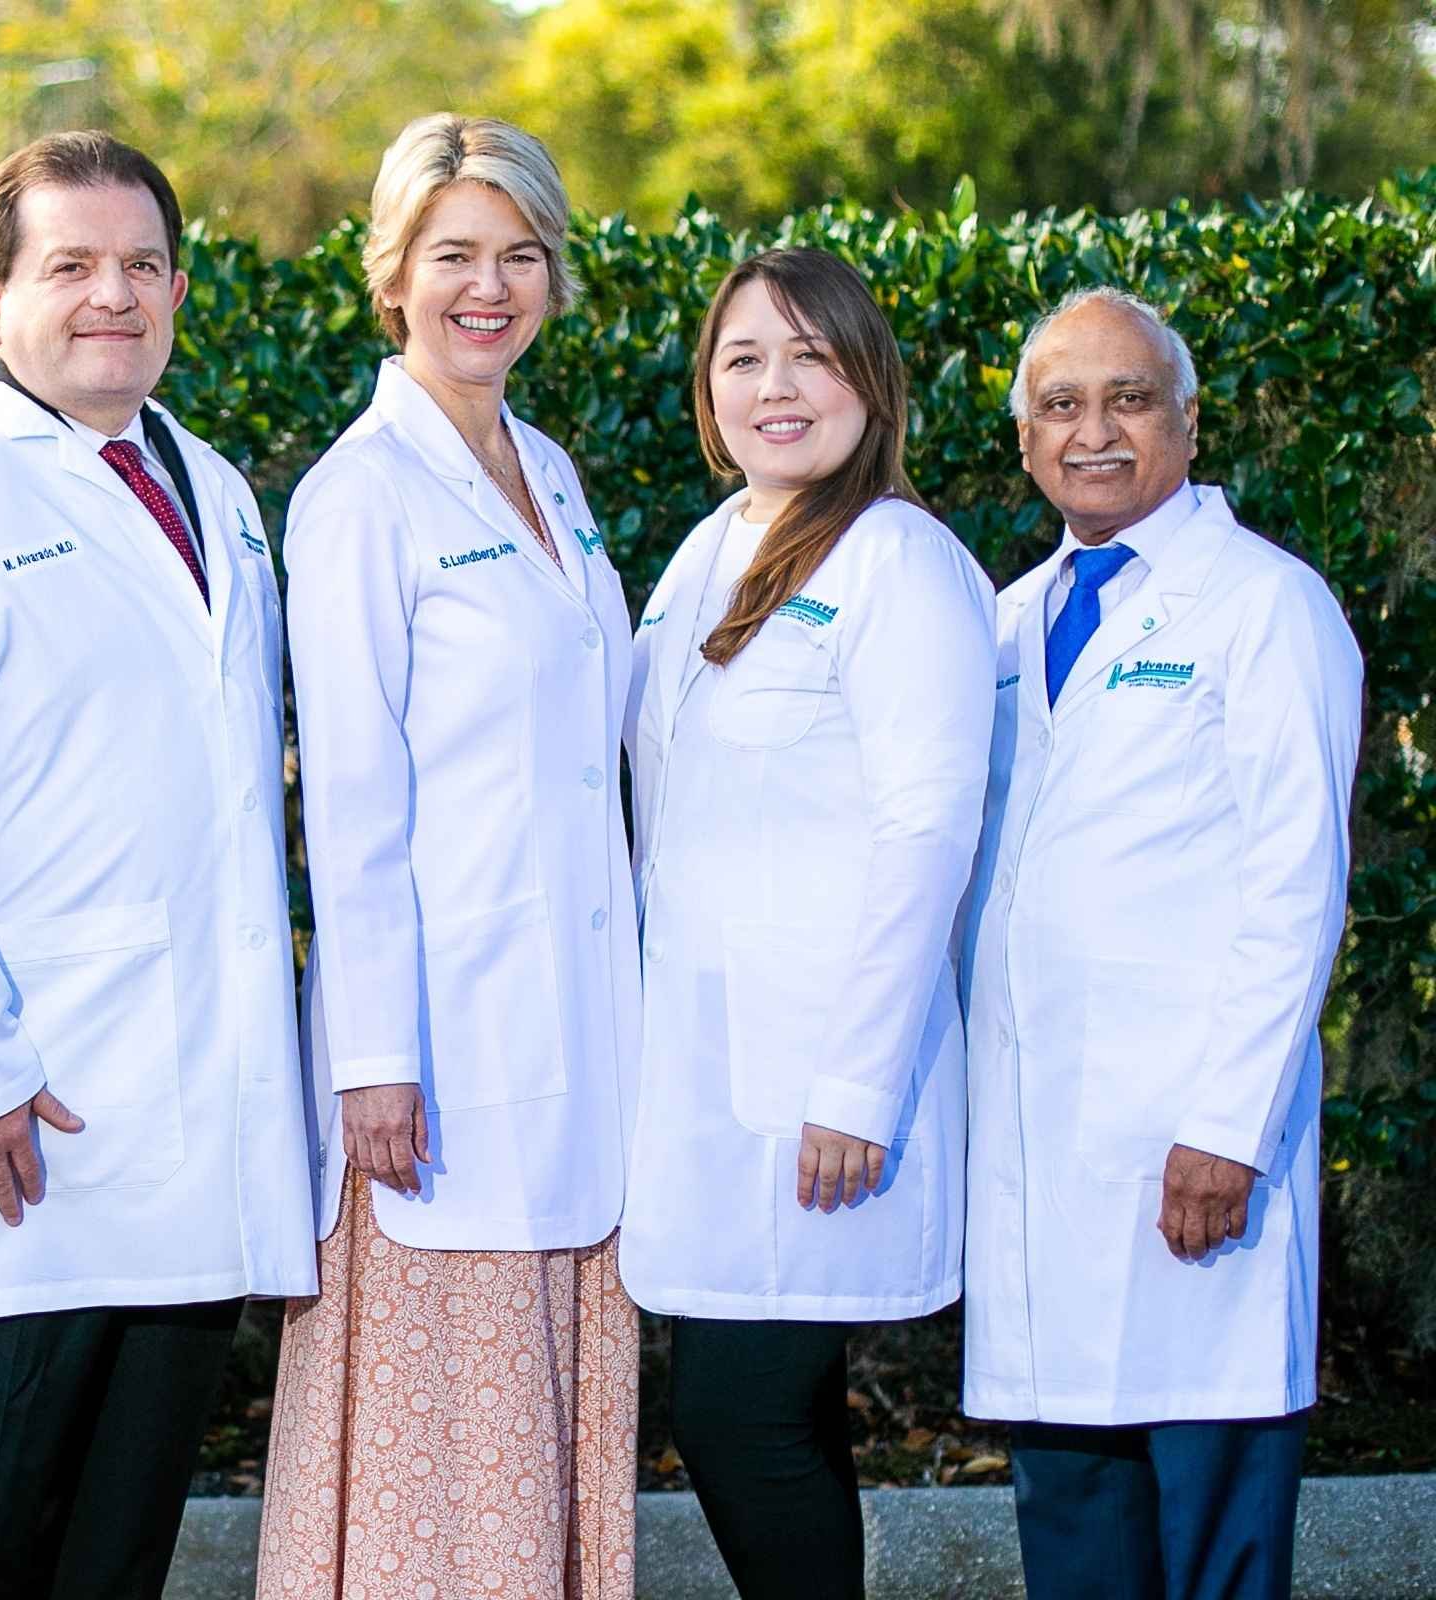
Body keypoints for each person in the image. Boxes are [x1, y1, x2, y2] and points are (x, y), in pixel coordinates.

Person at [0, 131, 315, 1600]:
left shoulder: (214, 488)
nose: (117, 296)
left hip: (192, 1132)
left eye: (145, 266)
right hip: (15, 1133)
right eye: (73, 265)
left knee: (115, 1561)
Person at [253, 113, 641, 1599]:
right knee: (445, 1466)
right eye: (456, 255)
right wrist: (373, 1062)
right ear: (393, 274)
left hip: (566, 1030)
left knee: (542, 1433)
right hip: (432, 1062)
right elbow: (350, 801)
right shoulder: (360, 493)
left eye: (521, 255)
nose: (492, 286)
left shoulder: (544, 465)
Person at [961, 286, 1362, 1600]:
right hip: (1043, 1167)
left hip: (1196, 1158)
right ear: (1024, 441)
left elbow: (1296, 884)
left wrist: (1230, 1127)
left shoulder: (1265, 606)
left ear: (1188, 425)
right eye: (1061, 405)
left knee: (1213, 1543)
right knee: (1075, 1531)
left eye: (1129, 399)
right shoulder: (1003, 628)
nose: (1094, 432)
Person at [618, 248, 996, 1598]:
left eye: (810, 356)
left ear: (870, 382)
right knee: (783, 1411)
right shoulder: (709, 551)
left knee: (737, 1415)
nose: (775, 388)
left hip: (821, 1083)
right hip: (709, 1072)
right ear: (708, 393)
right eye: (742, 359)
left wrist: (855, 1083)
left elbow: (928, 832)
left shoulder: (903, 563)